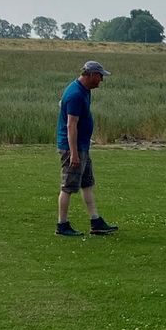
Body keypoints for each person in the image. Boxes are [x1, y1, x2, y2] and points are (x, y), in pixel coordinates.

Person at [56, 61, 118, 237]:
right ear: (91, 75)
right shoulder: (75, 94)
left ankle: (95, 222)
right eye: (100, 76)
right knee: (68, 186)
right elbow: (71, 125)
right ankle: (62, 225)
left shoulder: (84, 91)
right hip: (73, 149)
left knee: (87, 183)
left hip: (82, 146)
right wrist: (74, 154)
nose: (101, 80)